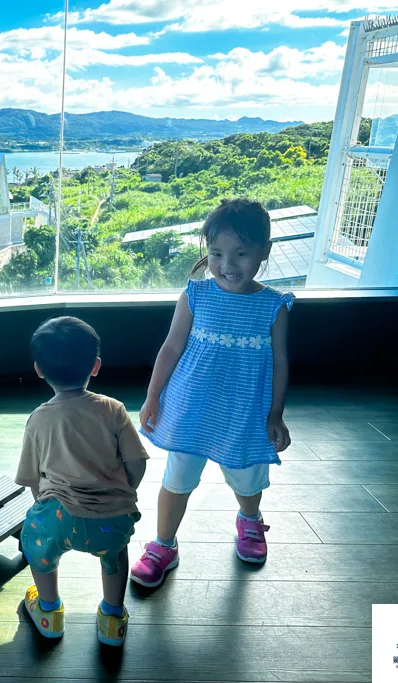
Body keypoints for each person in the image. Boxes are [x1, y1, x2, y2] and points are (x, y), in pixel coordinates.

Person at [131, 198, 294, 589]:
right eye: (216, 253)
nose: (227, 264)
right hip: (191, 409)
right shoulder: (195, 295)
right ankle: (163, 545)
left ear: (264, 252)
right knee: (177, 478)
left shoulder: (273, 306)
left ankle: (250, 522)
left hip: (244, 413)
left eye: (241, 253)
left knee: (247, 478)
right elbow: (170, 348)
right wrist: (153, 397)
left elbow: (280, 362)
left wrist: (275, 415)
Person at [16, 316, 148, 647]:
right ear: (96, 366)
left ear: (38, 369)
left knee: (36, 544)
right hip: (112, 519)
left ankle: (48, 612)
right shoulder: (114, 409)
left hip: (59, 518)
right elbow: (136, 461)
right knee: (115, 554)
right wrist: (124, 492)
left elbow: (32, 480)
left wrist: (44, 505)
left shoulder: (38, 419)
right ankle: (112, 619)